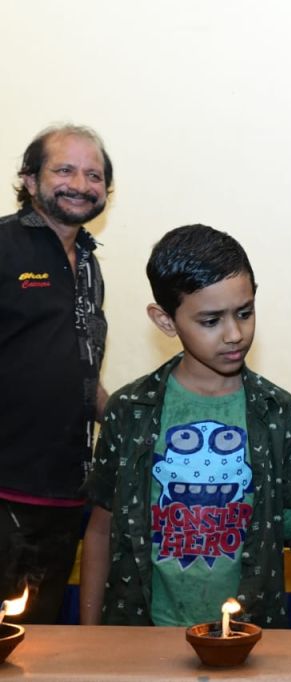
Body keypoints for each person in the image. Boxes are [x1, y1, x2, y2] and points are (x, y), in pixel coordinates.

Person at [79, 225, 291, 628]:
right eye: (211, 321)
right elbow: (101, 530)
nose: (235, 334)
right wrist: (88, 636)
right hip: (144, 635)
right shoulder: (130, 411)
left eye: (244, 313)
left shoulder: (275, 412)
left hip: (248, 635)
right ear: (166, 320)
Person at [0, 124, 112, 623]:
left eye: (94, 175)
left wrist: (130, 417)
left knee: (39, 644)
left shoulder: (89, 264)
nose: (81, 184)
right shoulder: (4, 245)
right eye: (64, 170)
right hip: (5, 492)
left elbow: (75, 371)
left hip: (67, 497)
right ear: (29, 179)